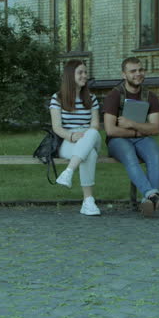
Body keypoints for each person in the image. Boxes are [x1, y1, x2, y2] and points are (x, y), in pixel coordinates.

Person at [103, 56, 159, 216]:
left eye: (141, 70)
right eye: (133, 71)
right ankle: (152, 196)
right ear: (124, 75)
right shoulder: (114, 96)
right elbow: (110, 130)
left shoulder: (150, 96)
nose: (138, 74)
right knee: (130, 155)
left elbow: (156, 128)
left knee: (154, 155)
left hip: (140, 137)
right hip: (117, 141)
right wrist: (140, 130)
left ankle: (148, 202)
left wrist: (133, 125)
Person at [49, 60, 102, 216]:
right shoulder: (57, 98)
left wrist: (84, 136)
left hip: (90, 137)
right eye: (80, 72)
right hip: (68, 139)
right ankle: (88, 201)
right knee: (89, 154)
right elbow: (57, 127)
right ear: (70, 75)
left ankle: (69, 171)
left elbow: (95, 124)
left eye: (85, 72)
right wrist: (72, 136)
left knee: (92, 133)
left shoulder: (91, 98)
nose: (84, 76)